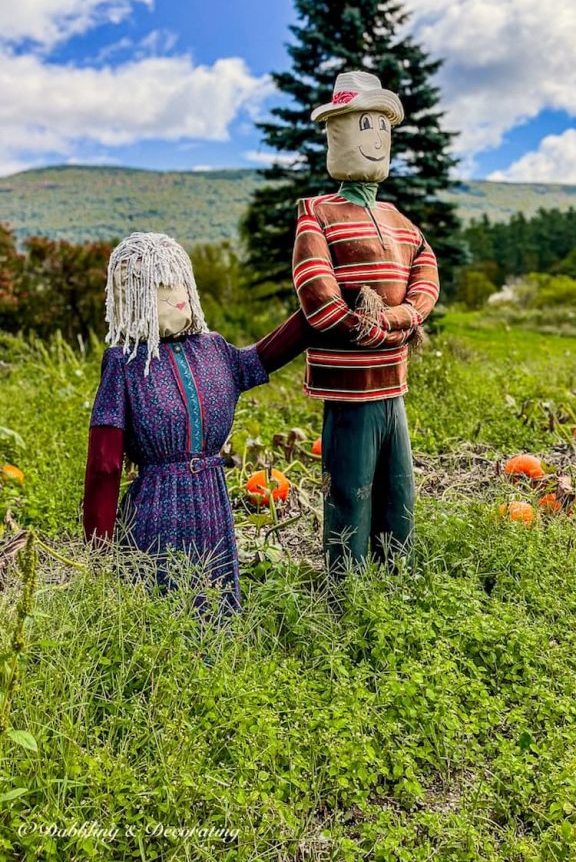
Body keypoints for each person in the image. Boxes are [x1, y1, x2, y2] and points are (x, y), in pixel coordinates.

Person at [81, 231, 306, 615]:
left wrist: (316, 313)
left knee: (200, 612)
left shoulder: (212, 347)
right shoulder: (124, 362)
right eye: (161, 285)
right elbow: (104, 463)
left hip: (212, 503)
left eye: (179, 280)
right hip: (157, 514)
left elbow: (262, 357)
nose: (176, 292)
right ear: (133, 297)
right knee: (167, 617)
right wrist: (99, 551)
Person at [292, 70, 440, 576]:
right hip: (349, 389)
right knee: (350, 487)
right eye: (364, 125)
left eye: (382, 127)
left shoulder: (400, 219)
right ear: (338, 134)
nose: (376, 138)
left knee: (399, 486)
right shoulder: (317, 214)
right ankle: (346, 587)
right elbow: (319, 298)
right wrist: (370, 329)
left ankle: (395, 575)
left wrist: (399, 316)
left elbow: (426, 273)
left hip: (392, 385)